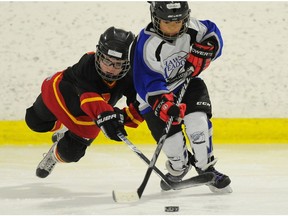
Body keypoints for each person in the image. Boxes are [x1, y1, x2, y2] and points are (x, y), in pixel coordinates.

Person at [131, 1, 232, 193]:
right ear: (154, 18)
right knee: (174, 147)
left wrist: (208, 48)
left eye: (178, 22)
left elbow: (212, 32)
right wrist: (163, 104)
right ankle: (178, 169)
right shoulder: (147, 44)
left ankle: (206, 168)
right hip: (154, 97)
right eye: (167, 22)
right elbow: (147, 80)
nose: (173, 27)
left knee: (198, 124)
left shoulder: (193, 28)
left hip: (187, 85)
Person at [25, 26, 143, 178]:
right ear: (99, 55)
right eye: (107, 60)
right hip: (62, 96)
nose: (110, 69)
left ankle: (52, 156)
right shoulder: (87, 63)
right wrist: (108, 115)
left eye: (118, 64)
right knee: (34, 121)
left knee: (70, 154)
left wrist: (122, 117)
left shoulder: (131, 75)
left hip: (89, 116)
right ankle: (63, 129)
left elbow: (140, 103)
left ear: (127, 63)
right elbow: (89, 98)